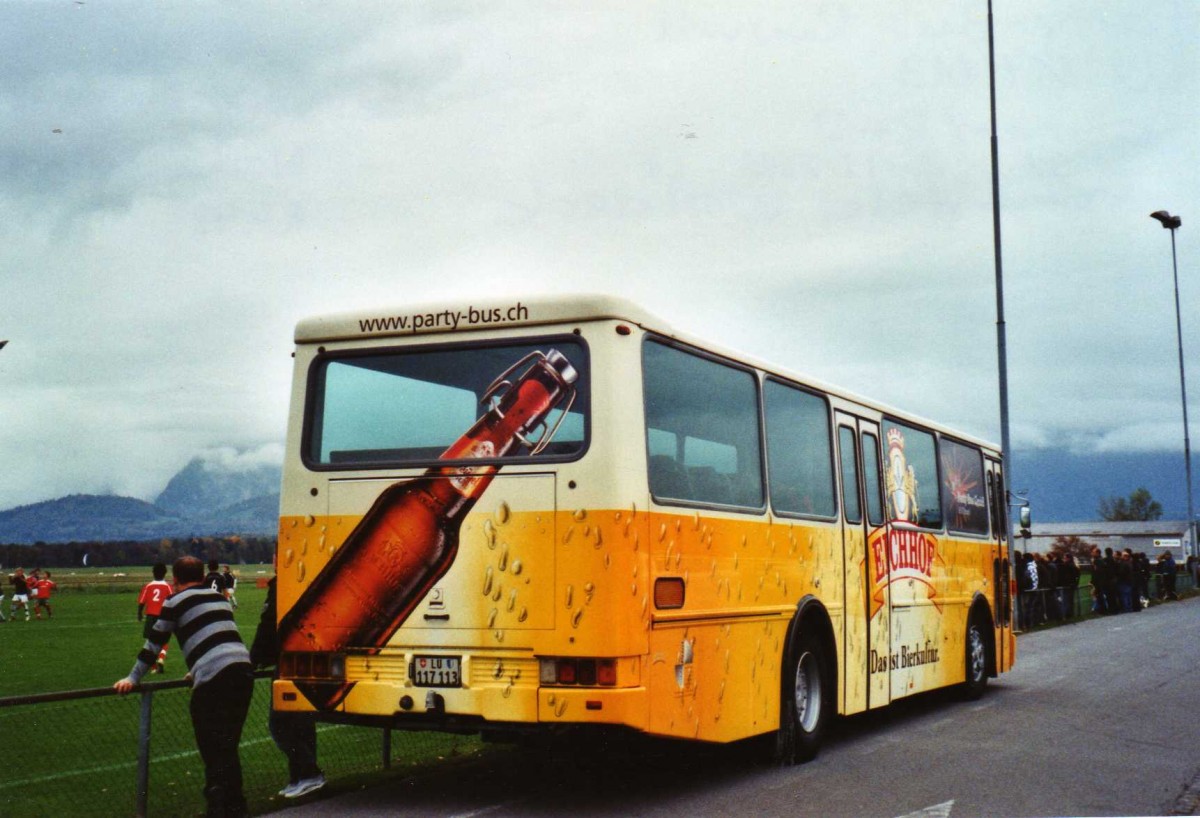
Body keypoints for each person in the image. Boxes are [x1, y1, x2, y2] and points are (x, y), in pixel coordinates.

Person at [114, 556, 253, 817]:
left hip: (215, 678)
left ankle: (219, 808)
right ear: (202, 577)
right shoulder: (219, 599)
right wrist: (197, 668)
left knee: (211, 747)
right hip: (242, 671)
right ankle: (236, 807)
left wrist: (132, 679)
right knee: (227, 745)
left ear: (174, 580)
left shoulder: (174, 601)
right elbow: (219, 637)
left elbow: (153, 645)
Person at [250, 576, 326, 799]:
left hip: (291, 660)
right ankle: (301, 777)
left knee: (280, 724)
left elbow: (269, 623)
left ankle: (309, 773)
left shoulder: (282, 584)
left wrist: (255, 658)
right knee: (302, 722)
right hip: (313, 655)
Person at [137, 563, 175, 672]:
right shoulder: (168, 586)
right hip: (163, 616)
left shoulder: (148, 586)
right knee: (164, 638)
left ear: (153, 573)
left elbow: (141, 602)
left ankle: (153, 668)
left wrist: (139, 614)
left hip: (150, 616)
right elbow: (173, 598)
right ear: (165, 573)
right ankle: (161, 658)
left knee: (151, 641)